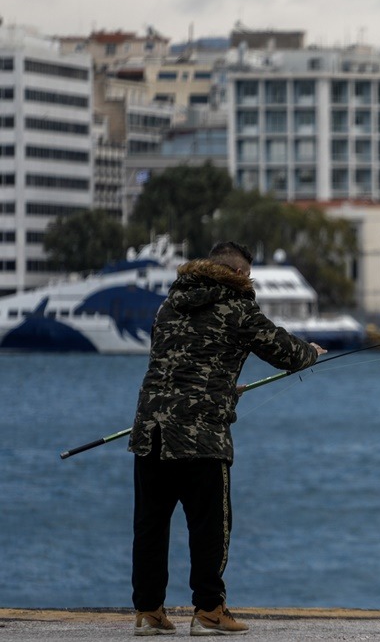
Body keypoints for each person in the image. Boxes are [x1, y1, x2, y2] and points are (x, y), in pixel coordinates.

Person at [128, 241, 326, 636]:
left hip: (151, 431)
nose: (249, 282)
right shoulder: (236, 306)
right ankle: (208, 612)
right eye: (248, 275)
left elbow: (177, 363)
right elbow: (283, 349)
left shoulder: (169, 305)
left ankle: (149, 613)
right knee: (210, 528)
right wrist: (310, 352)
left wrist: (222, 386)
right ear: (237, 274)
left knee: (150, 527)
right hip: (200, 437)